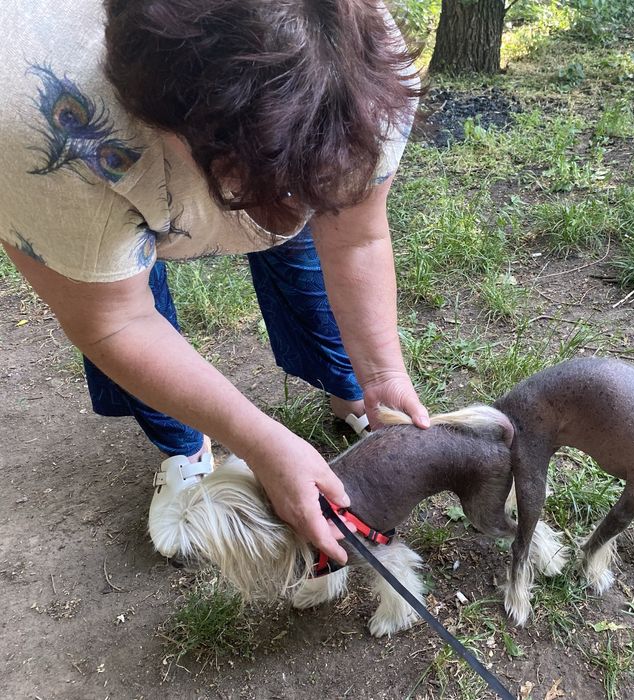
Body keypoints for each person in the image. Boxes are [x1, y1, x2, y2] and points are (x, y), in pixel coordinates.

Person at [0, 0, 430, 566]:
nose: (283, 216)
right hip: (90, 153)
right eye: (250, 183)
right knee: (121, 270)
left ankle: (349, 388)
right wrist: (258, 440)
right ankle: (184, 445)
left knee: (293, 206)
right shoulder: (28, 107)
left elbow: (354, 236)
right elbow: (114, 318)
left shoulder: (361, 63)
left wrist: (383, 373)